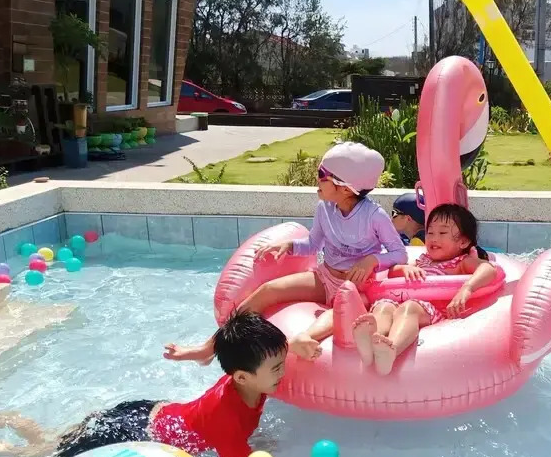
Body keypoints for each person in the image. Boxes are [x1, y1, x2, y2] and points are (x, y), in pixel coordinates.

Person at [0, 312, 287, 457]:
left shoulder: (245, 381)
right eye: (276, 368)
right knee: (38, 454)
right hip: (129, 433)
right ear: (242, 377)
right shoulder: (227, 419)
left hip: (149, 413)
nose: (283, 373)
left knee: (48, 439)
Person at [164, 142, 408, 363]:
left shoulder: (374, 216)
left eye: (322, 175)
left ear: (345, 188)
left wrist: (372, 259)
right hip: (326, 277)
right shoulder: (325, 208)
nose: (316, 179)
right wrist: (290, 246)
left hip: (358, 287)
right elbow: (314, 244)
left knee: (343, 310)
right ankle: (209, 348)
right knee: (267, 291)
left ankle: (304, 337)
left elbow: (400, 253)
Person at [351, 203, 497, 375]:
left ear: (463, 242)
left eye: (442, 233)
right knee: (384, 306)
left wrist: (467, 288)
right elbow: (392, 272)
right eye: (430, 232)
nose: (433, 238)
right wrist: (405, 269)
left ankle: (392, 349)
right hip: (402, 301)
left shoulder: (461, 263)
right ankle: (372, 342)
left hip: (432, 310)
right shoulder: (423, 260)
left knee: (409, 308)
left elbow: (489, 269)